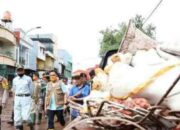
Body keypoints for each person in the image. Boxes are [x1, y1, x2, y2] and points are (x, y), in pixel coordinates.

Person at [12, 66, 34, 130]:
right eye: (18, 70)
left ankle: (30, 123)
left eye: (21, 70)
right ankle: (19, 127)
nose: (20, 71)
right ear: (17, 71)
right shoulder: (15, 79)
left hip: (26, 98)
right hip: (17, 98)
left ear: (23, 71)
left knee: (25, 116)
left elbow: (31, 90)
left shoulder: (28, 78)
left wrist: (29, 97)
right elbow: (14, 89)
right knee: (17, 116)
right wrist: (14, 98)